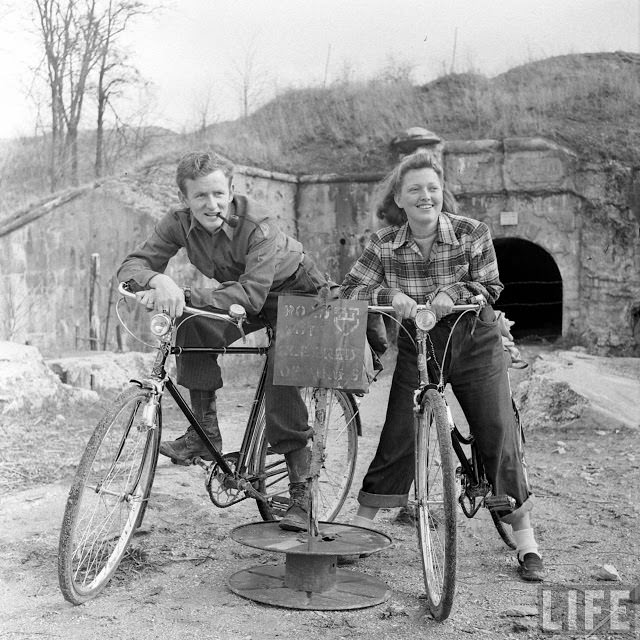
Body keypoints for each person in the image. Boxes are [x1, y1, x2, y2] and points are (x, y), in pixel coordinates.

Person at [338, 151, 545, 582]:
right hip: (419, 342)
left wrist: (452, 292)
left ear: (442, 192)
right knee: (398, 431)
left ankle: (525, 539)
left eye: (432, 188)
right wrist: (388, 298)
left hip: (474, 339)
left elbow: (491, 285)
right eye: (414, 189)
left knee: (496, 428)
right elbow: (352, 287)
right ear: (399, 196)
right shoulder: (383, 244)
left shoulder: (473, 233)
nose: (424, 196)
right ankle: (362, 526)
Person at [117, 150, 330, 532]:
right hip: (243, 295)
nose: (211, 204)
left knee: (283, 373)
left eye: (218, 193)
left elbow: (250, 297)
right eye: (200, 196)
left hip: (297, 293)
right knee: (191, 325)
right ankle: (205, 432)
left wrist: (180, 292)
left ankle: (302, 492)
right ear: (185, 199)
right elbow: (133, 265)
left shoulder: (258, 223)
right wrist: (157, 281)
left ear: (231, 190)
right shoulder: (177, 223)